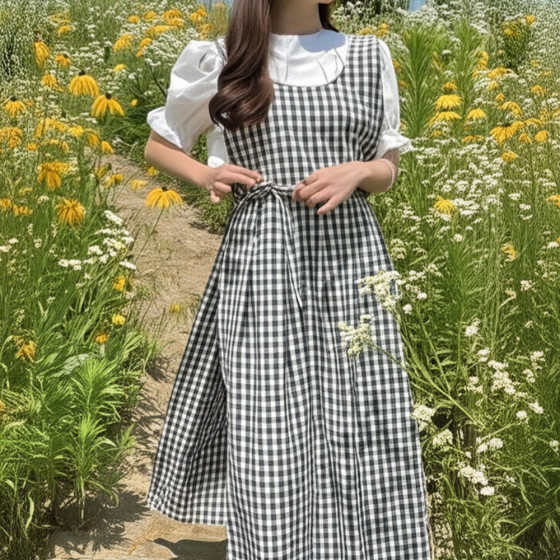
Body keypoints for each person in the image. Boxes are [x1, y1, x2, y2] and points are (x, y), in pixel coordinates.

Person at [143, 1, 432, 558]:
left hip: (350, 260)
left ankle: (364, 545)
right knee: (269, 411)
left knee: (362, 405)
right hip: (263, 259)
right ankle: (275, 545)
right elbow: (159, 145)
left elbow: (388, 167)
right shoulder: (225, 58)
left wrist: (360, 171)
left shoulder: (368, 55)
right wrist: (206, 174)